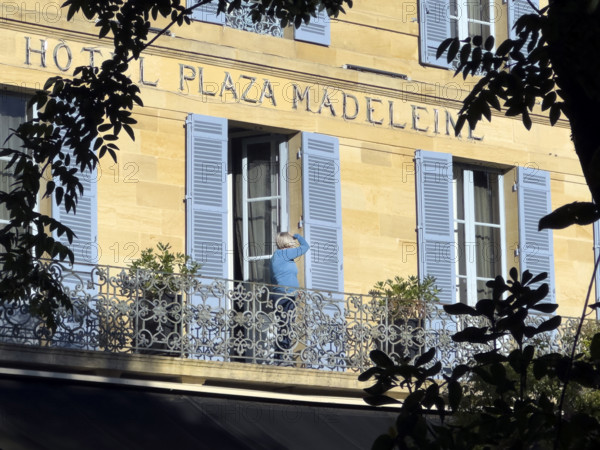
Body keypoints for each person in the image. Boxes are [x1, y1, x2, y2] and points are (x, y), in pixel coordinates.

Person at [270, 232, 310, 361]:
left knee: (284, 326)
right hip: (285, 294)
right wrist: (297, 236)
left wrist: (295, 290)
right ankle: (282, 357)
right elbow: (305, 247)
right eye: (291, 240)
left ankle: (280, 356)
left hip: (282, 293)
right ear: (287, 242)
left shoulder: (277, 256)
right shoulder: (285, 253)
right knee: (287, 326)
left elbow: (282, 277)